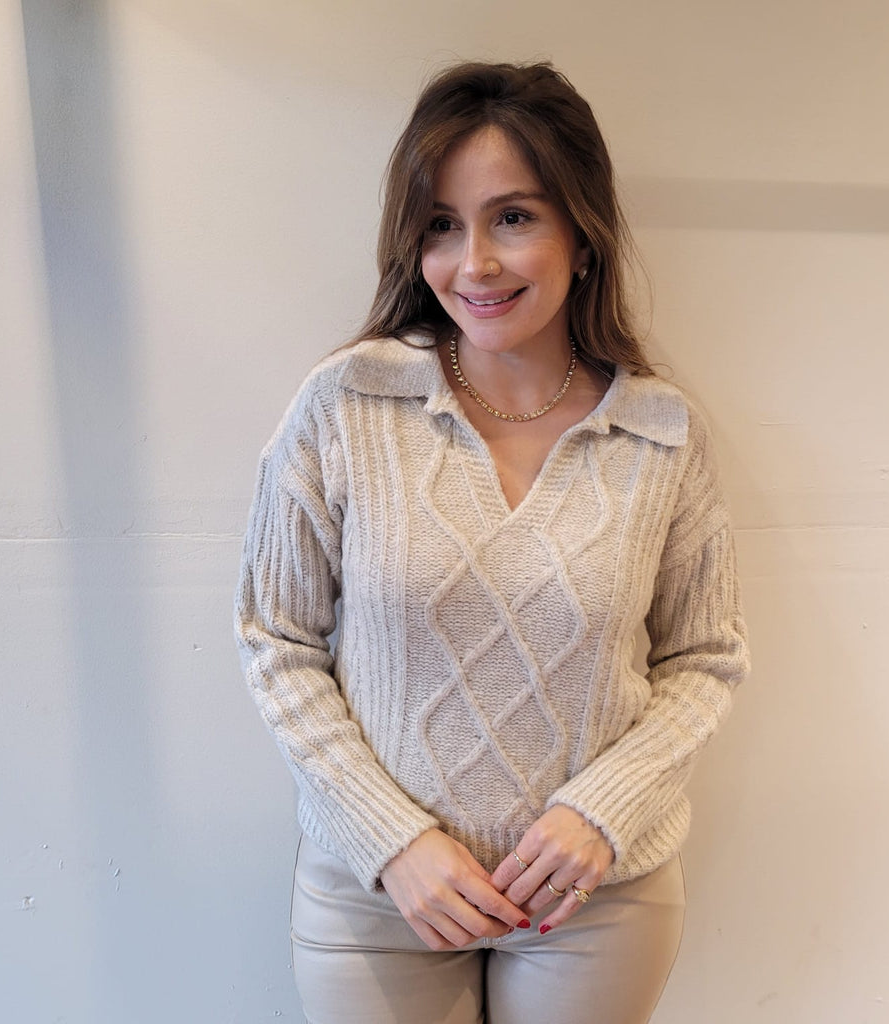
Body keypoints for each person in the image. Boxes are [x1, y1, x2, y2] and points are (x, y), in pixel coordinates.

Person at [234, 60, 749, 1024]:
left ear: (582, 234)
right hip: (379, 894)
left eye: (513, 217)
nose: (474, 263)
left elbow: (705, 658)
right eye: (441, 225)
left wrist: (604, 810)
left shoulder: (661, 435)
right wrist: (392, 840)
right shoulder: (348, 405)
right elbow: (276, 639)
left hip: (593, 901)